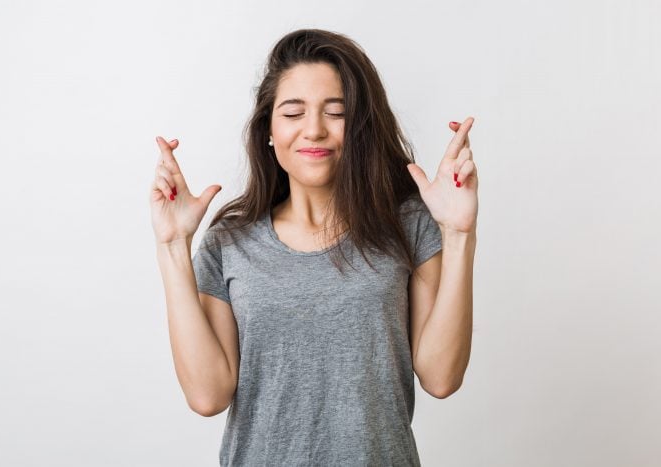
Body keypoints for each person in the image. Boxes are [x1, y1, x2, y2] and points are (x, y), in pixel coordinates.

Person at [151, 28, 477, 467]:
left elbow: (441, 377)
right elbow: (208, 395)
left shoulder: (407, 225)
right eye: (293, 113)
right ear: (269, 129)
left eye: (336, 112)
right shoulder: (230, 242)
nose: (314, 130)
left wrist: (459, 234)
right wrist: (173, 246)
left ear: (359, 126)